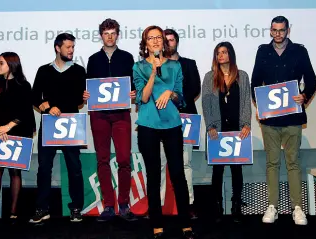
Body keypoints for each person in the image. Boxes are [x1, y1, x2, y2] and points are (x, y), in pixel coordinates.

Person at [251, 16, 316, 225]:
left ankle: (297, 207)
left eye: (281, 30)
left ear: (288, 30)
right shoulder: (263, 50)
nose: (278, 33)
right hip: (270, 118)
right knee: (272, 163)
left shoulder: (300, 50)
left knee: (293, 162)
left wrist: (304, 96)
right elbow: (254, 82)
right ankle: (273, 206)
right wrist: (259, 106)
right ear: (270, 31)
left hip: (292, 116)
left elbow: (312, 80)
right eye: (274, 30)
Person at [133, 25, 195, 239]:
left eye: (158, 37)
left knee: (178, 174)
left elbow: (181, 98)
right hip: (148, 125)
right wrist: (153, 72)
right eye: (151, 38)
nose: (156, 41)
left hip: (172, 125)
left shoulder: (176, 66)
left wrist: (170, 92)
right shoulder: (138, 66)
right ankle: (156, 224)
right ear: (146, 44)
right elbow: (142, 97)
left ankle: (186, 222)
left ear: (164, 41)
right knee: (153, 175)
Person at [82, 18, 137, 222]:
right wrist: (85, 95)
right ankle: (108, 206)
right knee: (102, 159)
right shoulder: (93, 59)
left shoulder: (127, 57)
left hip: (122, 114)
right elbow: (89, 87)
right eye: (106, 33)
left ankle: (124, 204)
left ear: (118, 34)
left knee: (123, 159)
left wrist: (134, 93)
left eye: (113, 33)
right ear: (101, 36)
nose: (110, 37)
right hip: (99, 115)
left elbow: (134, 84)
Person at [30, 33, 86, 224]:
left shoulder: (79, 70)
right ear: (57, 48)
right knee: (44, 167)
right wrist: (46, 106)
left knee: (75, 168)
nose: (71, 50)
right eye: (68, 47)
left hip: (71, 124)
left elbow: (79, 100)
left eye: (73, 47)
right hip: (49, 124)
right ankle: (42, 208)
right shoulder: (43, 70)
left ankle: (76, 208)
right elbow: (35, 96)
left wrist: (84, 98)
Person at [0, 52, 36, 223]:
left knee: (15, 171)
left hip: (16, 133)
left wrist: (8, 126)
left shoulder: (24, 86)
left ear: (12, 65)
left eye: (1, 63)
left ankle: (13, 212)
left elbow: (25, 111)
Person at [202, 42, 251, 223]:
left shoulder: (242, 76)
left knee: (237, 169)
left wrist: (246, 124)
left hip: (237, 130)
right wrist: (210, 126)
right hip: (218, 129)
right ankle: (217, 205)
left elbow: (246, 101)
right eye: (218, 53)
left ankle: (236, 205)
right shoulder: (209, 77)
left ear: (231, 54)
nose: (221, 55)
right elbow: (206, 104)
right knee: (218, 169)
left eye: (224, 52)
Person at [158, 29, 201, 219]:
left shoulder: (189, 64)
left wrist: (175, 97)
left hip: (186, 118)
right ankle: (157, 205)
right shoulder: (156, 65)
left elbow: (194, 89)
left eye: (171, 40)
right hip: (161, 118)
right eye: (164, 40)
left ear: (177, 42)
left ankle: (188, 204)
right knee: (159, 163)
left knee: (185, 164)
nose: (168, 43)